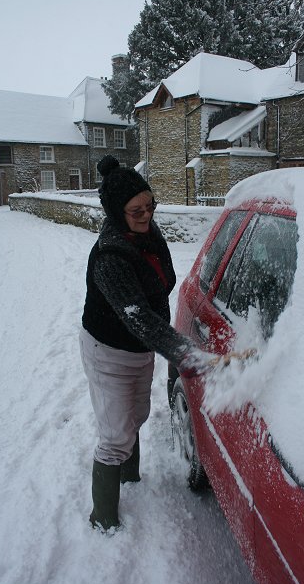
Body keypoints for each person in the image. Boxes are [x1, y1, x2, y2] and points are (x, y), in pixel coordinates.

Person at [79, 155, 210, 533]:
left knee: (137, 414)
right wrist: (186, 353)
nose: (146, 214)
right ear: (117, 212)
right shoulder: (109, 255)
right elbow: (137, 315)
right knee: (115, 435)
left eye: (149, 205)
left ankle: (129, 477)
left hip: (139, 349)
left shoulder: (148, 235)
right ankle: (103, 519)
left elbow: (161, 283)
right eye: (135, 209)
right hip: (108, 351)